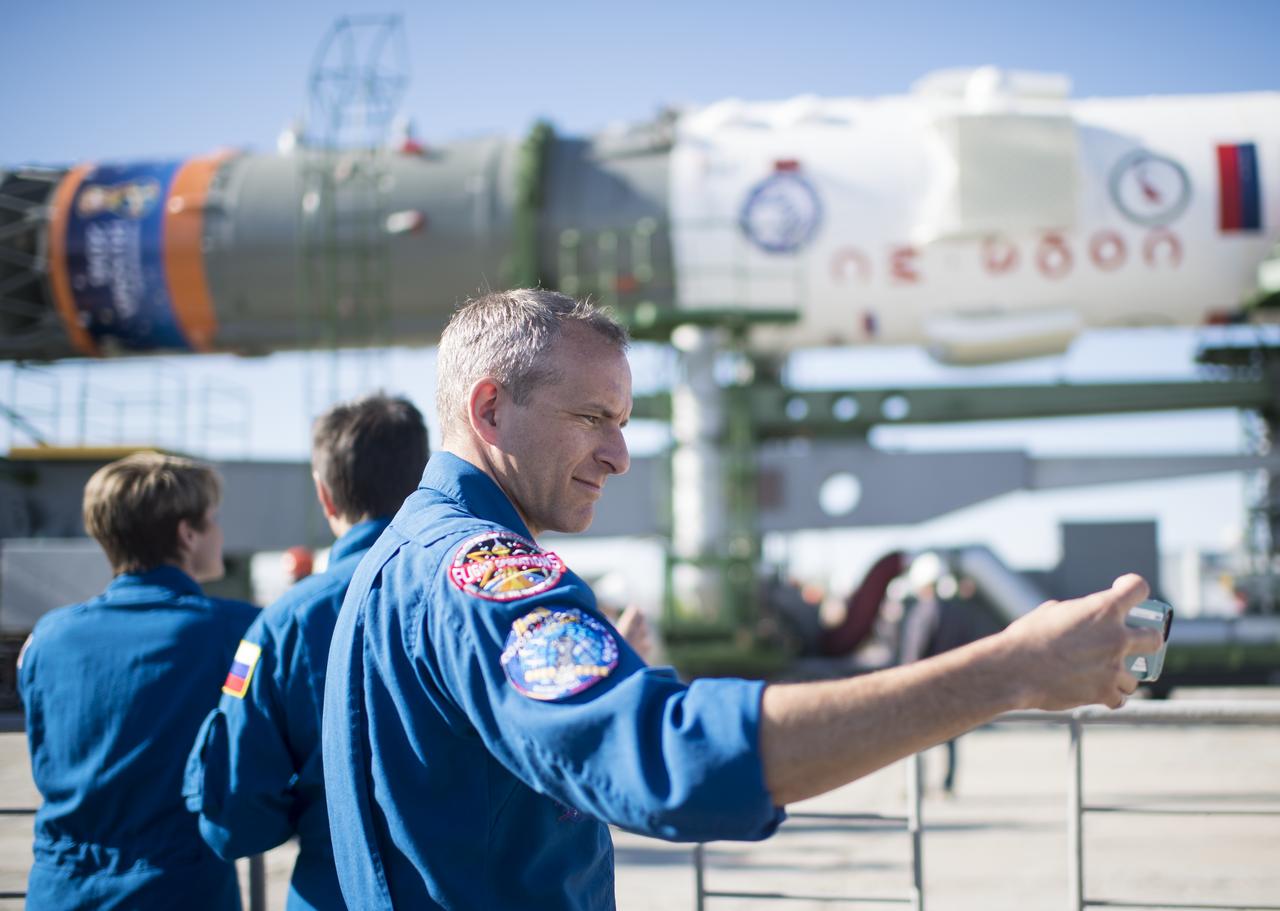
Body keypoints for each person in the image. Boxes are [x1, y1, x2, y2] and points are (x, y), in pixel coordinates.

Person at [322, 289, 1164, 910]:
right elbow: (672, 763)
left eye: (624, 419)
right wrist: (1012, 671)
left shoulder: (394, 559)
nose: (619, 455)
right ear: (489, 408)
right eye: (592, 417)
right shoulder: (483, 571)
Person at [184, 394, 429, 911]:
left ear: (325, 495)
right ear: (424, 479)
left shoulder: (281, 625)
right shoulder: (487, 593)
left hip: (338, 891)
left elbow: (236, 821)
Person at [18, 451, 258, 911]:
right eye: (213, 520)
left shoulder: (47, 638)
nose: (220, 532)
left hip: (60, 889)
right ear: (188, 534)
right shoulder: (233, 631)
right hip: (177, 889)